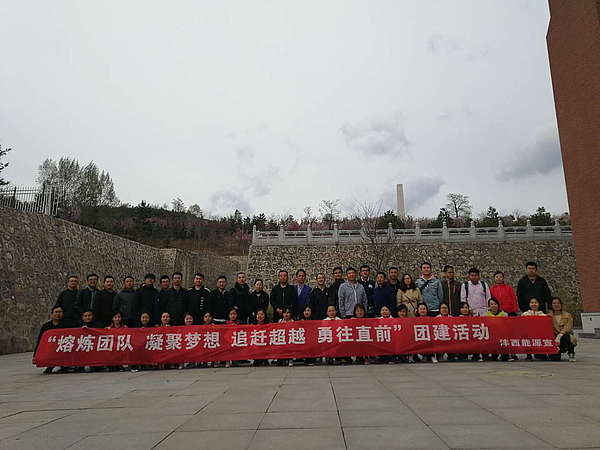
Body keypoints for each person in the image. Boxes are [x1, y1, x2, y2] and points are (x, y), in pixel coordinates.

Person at [33, 305, 69, 373]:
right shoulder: (46, 326)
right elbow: (40, 341)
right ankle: (50, 365)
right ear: (52, 314)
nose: (58, 314)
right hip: (50, 348)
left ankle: (64, 365)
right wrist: (35, 356)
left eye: (60, 312)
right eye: (56, 312)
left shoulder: (67, 325)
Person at [547, 297, 577, 362]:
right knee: (555, 359)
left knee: (566, 337)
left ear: (561, 305)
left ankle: (571, 353)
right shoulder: (548, 316)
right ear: (551, 305)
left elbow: (568, 328)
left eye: (558, 303)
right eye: (554, 303)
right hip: (553, 340)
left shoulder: (568, 315)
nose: (556, 305)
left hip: (565, 337)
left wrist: (560, 335)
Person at [79, 309, 103, 373]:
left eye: (89, 316)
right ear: (82, 317)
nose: (87, 317)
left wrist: (89, 330)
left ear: (92, 316)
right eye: (85, 316)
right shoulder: (79, 325)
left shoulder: (98, 324)